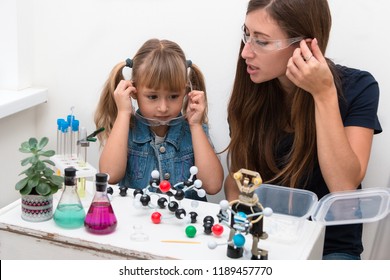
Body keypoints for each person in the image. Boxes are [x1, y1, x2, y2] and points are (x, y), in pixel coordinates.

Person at [224, 0, 382, 259]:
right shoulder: (253, 89)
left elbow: (343, 188)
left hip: (330, 249)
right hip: (267, 241)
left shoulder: (359, 87)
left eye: (261, 41)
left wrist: (323, 94)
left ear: (305, 45)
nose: (246, 52)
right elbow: (239, 179)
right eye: (246, 35)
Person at [94, 38, 223, 201]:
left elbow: (213, 186)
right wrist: (123, 114)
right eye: (152, 96)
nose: (163, 107)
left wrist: (196, 125)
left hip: (183, 223)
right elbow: (109, 176)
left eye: (173, 96)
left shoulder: (194, 130)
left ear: (185, 91)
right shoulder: (126, 128)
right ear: (134, 91)